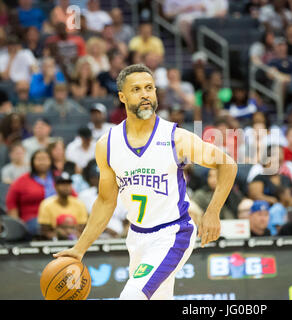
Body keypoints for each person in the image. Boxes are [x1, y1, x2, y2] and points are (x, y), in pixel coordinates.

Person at [54, 64, 237, 300]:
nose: (145, 94)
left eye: (149, 88)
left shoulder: (175, 137)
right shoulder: (107, 144)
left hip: (173, 234)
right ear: (122, 96)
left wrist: (213, 212)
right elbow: (105, 202)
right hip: (137, 237)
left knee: (132, 296)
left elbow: (227, 164)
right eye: (137, 89)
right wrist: (79, 249)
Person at [5, 149, 56, 236]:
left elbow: (73, 197)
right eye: (39, 159)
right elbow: (11, 203)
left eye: (45, 159)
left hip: (58, 217)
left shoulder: (59, 179)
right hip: (32, 220)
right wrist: (16, 226)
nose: (42, 162)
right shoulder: (22, 181)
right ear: (32, 162)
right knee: (38, 225)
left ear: (51, 161)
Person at [37, 172, 88, 240]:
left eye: (68, 184)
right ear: (55, 186)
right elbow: (45, 231)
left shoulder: (79, 204)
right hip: (54, 241)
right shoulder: (46, 204)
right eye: (62, 184)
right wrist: (60, 234)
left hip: (76, 239)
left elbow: (82, 228)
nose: (66, 187)